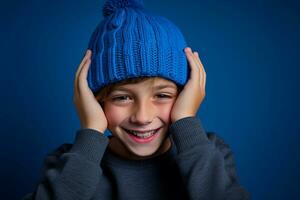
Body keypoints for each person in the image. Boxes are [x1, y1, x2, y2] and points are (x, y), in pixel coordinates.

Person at [23, 0, 250, 199]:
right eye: (122, 97)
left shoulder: (208, 153)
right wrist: (90, 134)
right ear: (95, 100)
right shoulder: (70, 163)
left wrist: (186, 120)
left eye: (162, 95)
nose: (142, 117)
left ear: (187, 95)